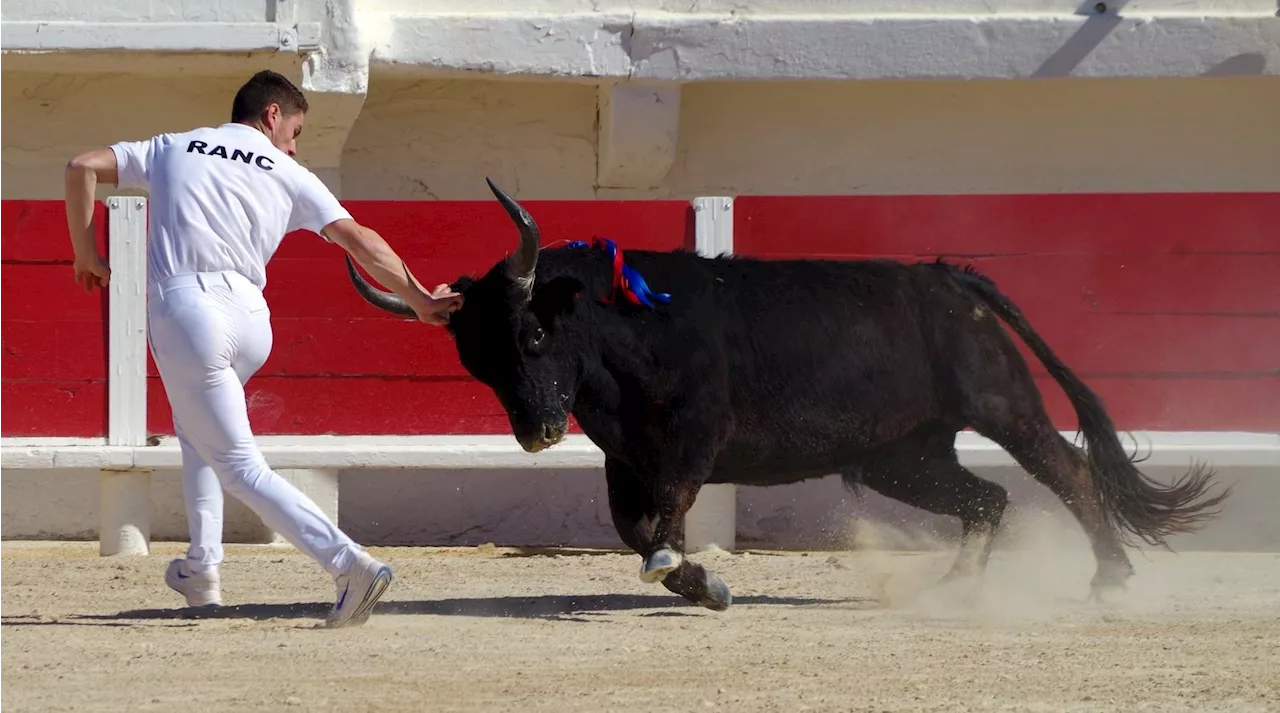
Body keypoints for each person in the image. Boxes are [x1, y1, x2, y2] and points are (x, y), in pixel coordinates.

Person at [62, 69, 462, 628]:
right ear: (272, 115)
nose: (295, 144)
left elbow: (82, 167)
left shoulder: (172, 147)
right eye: (295, 129)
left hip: (190, 310)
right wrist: (419, 298)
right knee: (197, 427)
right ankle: (202, 569)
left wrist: (85, 252)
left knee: (238, 463)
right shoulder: (288, 171)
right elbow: (363, 242)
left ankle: (350, 564)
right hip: (251, 318)